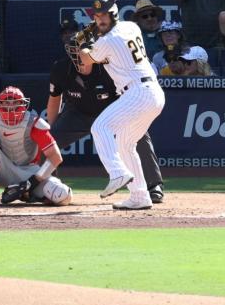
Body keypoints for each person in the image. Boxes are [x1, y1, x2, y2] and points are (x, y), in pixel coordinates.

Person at [49, 33, 164, 203]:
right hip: (77, 113)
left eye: (84, 51)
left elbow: (126, 94)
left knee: (138, 135)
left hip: (110, 110)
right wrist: (50, 132)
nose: (80, 56)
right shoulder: (61, 68)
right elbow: (54, 99)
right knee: (48, 142)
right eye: (75, 51)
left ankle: (153, 186)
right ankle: (48, 186)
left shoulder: (110, 67)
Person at [74, 0, 165, 210]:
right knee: (125, 142)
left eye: (104, 15)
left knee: (100, 126)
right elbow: (100, 43)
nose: (100, 19)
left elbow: (85, 60)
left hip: (138, 92)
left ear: (114, 14)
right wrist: (92, 35)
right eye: (97, 16)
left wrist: (82, 40)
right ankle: (140, 196)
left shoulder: (108, 41)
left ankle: (116, 172)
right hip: (152, 93)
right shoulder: (131, 26)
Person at [0, 85, 72, 206]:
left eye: (15, 103)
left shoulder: (33, 123)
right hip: (2, 170)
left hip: (29, 172)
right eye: (6, 103)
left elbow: (55, 157)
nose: (11, 107)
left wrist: (32, 182)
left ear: (23, 104)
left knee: (62, 195)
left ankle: (28, 194)